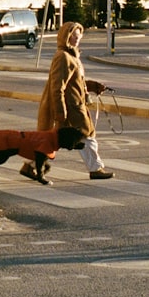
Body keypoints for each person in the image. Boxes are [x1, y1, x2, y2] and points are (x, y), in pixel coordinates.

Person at [35, 21, 113, 180]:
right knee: (87, 135)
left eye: (78, 36)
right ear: (65, 37)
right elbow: (57, 87)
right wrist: (60, 112)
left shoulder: (72, 56)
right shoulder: (63, 57)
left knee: (52, 140)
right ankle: (96, 169)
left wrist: (92, 86)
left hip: (74, 105)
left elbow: (75, 82)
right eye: (73, 36)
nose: (76, 39)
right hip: (71, 107)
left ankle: (31, 166)